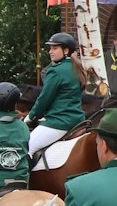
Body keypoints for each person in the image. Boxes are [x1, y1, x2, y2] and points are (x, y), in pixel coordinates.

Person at [27, 32, 85, 165]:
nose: (50, 52)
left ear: (66, 50)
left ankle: (21, 181)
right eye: (50, 48)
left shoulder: (55, 71)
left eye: (55, 48)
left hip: (59, 121)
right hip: (77, 118)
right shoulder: (76, 67)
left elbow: (44, 99)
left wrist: (31, 116)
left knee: (26, 147)